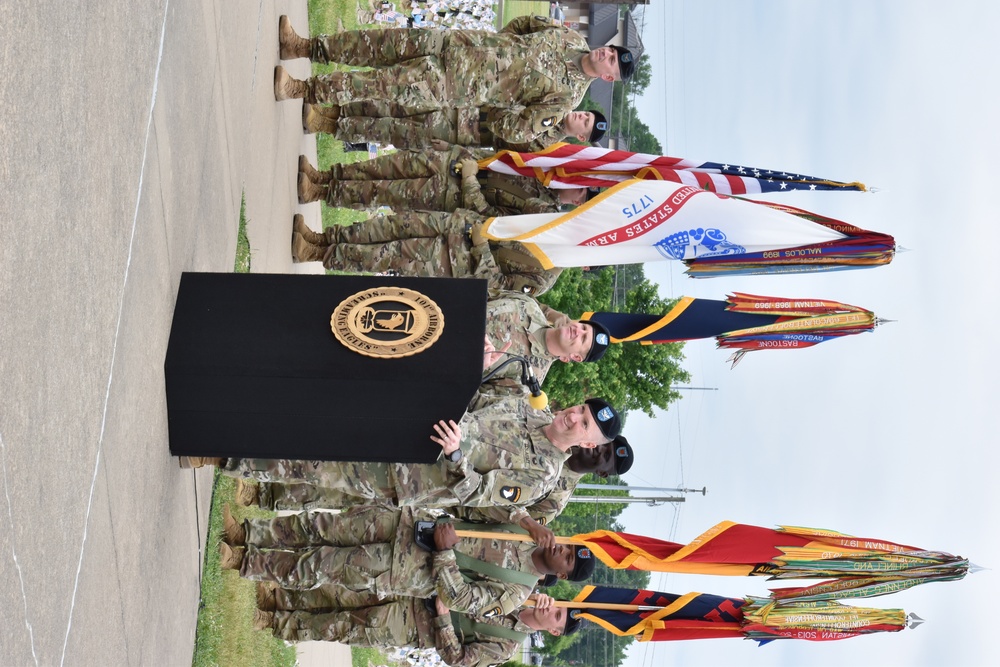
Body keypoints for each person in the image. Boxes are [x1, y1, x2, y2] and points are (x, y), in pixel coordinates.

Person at [184, 395, 623, 544]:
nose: (571, 416)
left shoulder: (541, 476)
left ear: (587, 442)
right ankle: (231, 435)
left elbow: (475, 495)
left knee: (312, 467)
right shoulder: (529, 412)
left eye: (582, 424)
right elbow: (471, 407)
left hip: (408, 475)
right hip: (408, 429)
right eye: (580, 409)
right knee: (318, 432)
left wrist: (456, 456)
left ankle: (221, 457)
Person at [274, 15, 634, 148]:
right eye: (611, 51)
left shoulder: (566, 99)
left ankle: (301, 90)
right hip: (458, 43)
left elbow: (521, 129)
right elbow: (526, 24)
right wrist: (495, 45)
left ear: (607, 77)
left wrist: (491, 102)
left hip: (455, 83)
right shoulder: (573, 41)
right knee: (377, 44)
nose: (607, 55)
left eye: (612, 64)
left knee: (378, 84)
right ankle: (304, 47)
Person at [237, 435, 635, 547]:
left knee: (343, 498)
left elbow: (502, 516)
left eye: (602, 458)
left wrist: (526, 520)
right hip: (438, 454)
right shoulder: (555, 432)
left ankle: (267, 496)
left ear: (602, 473)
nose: (595, 451)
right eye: (601, 444)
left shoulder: (557, 495)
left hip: (443, 501)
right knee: (343, 467)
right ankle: (263, 489)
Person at [219, 505, 595, 618]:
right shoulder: (523, 529)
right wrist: (527, 520)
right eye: (567, 546)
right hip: (406, 524)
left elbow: (466, 602)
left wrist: (446, 553)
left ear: (562, 574)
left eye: (568, 561)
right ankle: (248, 533)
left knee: (318, 565)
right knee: (319, 523)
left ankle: (242, 561)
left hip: (403, 567)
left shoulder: (517, 590)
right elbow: (481, 503)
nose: (561, 551)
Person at [254, 591, 582, 667]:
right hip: (412, 590)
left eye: (556, 617)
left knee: (336, 626)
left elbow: (459, 658)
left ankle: (273, 622)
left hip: (413, 626)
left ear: (553, 632)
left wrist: (442, 616)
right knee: (338, 592)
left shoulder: (508, 645)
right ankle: (276, 597)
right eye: (558, 606)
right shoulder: (513, 593)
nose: (550, 609)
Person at [290, 205, 562, 296]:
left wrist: (481, 248)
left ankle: (315, 254)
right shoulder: (550, 224)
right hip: (458, 226)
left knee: (385, 256)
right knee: (389, 226)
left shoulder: (543, 277)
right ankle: (322, 238)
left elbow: (497, 288)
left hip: (453, 261)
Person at [301, 100, 609, 152]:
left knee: (388, 129)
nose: (582, 116)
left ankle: (325, 126)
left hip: (465, 132)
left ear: (581, 137)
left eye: (586, 123)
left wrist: (455, 150)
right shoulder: (553, 101)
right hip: (459, 105)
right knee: (387, 105)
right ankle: (332, 112)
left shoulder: (546, 147)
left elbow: (499, 155)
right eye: (586, 114)